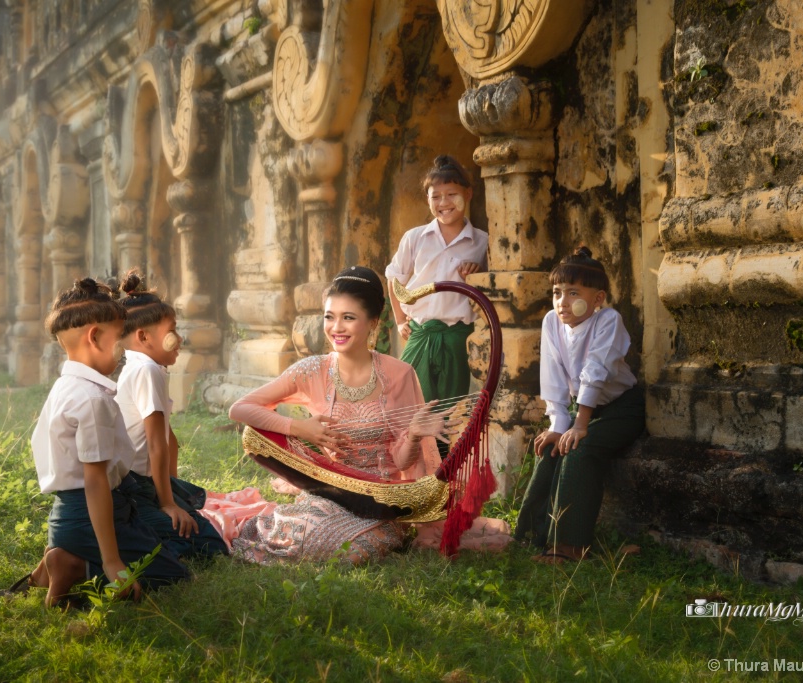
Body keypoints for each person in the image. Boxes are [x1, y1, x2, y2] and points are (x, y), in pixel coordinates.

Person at [216, 266, 511, 564]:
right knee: (291, 534)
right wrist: (299, 428)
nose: (336, 328)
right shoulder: (311, 370)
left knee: (352, 554)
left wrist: (414, 435)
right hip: (332, 493)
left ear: (373, 323)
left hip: (381, 503)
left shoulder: (399, 374)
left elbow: (401, 462)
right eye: (329, 317)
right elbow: (240, 408)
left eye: (348, 317)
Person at [4, 278, 188, 607]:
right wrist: (111, 561)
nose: (125, 349)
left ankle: (60, 558)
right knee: (173, 575)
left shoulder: (66, 386)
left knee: (161, 547)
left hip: (66, 516)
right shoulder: (92, 399)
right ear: (95, 337)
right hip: (90, 516)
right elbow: (95, 482)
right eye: (120, 338)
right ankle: (76, 564)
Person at [513, 248, 646, 564]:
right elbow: (553, 377)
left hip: (620, 409)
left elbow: (595, 371)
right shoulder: (551, 322)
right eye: (557, 292)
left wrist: (580, 425)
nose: (562, 301)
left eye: (573, 293)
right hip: (581, 411)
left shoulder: (608, 321)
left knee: (578, 451)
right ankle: (531, 536)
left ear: (598, 298)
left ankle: (569, 548)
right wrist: (558, 426)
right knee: (551, 449)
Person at [115, 270, 228, 559]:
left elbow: (168, 437)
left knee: (195, 503)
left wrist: (172, 491)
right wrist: (168, 504)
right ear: (143, 336)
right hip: (134, 487)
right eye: (172, 330)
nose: (180, 338)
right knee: (210, 547)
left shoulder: (146, 367)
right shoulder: (146, 370)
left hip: (149, 483)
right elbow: (156, 443)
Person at [385, 155, 488, 410]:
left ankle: (443, 453)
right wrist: (399, 321)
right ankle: (412, 452)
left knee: (448, 411)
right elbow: (394, 278)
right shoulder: (415, 237)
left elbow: (488, 292)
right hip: (420, 333)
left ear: (469, 193)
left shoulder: (483, 242)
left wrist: (475, 276)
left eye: (452, 194)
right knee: (407, 405)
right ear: (428, 199)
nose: (444, 203)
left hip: (458, 336)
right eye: (436, 196)